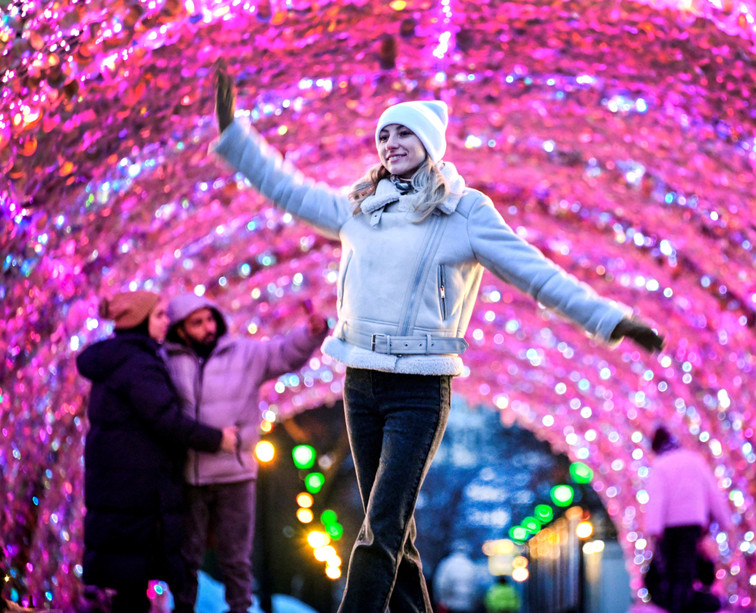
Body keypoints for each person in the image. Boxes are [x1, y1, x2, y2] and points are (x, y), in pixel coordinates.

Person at [210, 60, 665, 613]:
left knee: (381, 525)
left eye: (404, 132)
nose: (391, 142)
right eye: (384, 133)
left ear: (430, 143)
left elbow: (537, 273)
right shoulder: (359, 208)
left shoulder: (464, 213)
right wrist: (235, 135)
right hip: (362, 382)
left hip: (419, 388)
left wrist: (609, 319)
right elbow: (286, 187)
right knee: (396, 535)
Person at [163, 292, 328, 613]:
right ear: (180, 330)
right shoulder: (168, 361)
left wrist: (310, 334)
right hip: (189, 474)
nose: (207, 327)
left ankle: (240, 609)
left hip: (235, 474)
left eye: (210, 319)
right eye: (197, 323)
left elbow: (282, 354)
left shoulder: (242, 353)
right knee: (187, 556)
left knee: (236, 558)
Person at [76, 290, 238, 613]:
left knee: (129, 587)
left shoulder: (119, 358)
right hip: (136, 493)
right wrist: (217, 439)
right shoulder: (138, 364)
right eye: (160, 315)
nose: (167, 321)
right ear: (140, 320)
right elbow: (166, 420)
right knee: (133, 590)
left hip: (120, 490)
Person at [645, 426, 731, 613]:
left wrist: (654, 529)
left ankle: (677, 605)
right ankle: (686, 602)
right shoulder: (694, 461)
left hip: (669, 527)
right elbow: (713, 492)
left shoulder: (660, 465)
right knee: (686, 570)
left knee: (671, 572)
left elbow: (657, 498)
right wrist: (725, 522)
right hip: (693, 524)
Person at [433, 541, 481, 613]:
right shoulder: (471, 565)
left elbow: (441, 584)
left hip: (450, 605)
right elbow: (476, 587)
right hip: (467, 605)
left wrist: (441, 599)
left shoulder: (447, 563)